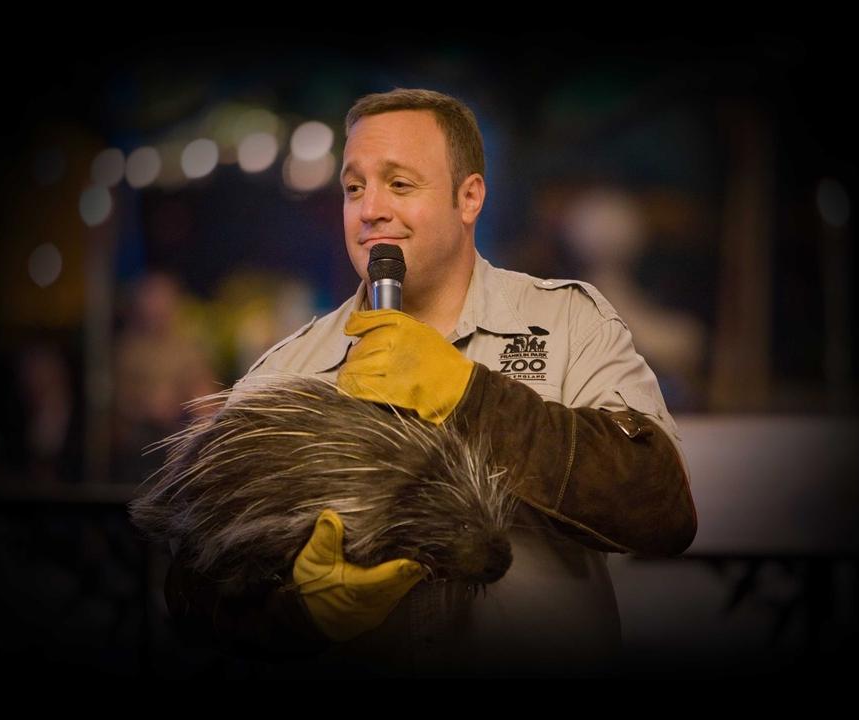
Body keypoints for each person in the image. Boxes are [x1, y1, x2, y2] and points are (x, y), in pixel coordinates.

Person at [161, 88, 697, 677]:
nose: (369, 210)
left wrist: (469, 395)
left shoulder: (570, 323)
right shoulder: (287, 372)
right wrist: (297, 615)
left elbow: (660, 509)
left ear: (469, 198)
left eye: (399, 183)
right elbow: (194, 591)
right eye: (354, 187)